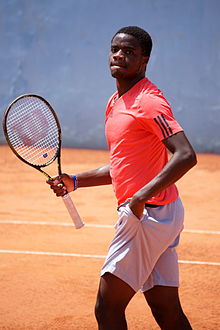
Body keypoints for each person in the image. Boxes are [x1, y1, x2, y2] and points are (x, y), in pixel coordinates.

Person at [47, 26, 197, 330]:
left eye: (129, 51)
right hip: (161, 213)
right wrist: (75, 181)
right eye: (115, 49)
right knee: (165, 309)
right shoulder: (115, 102)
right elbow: (122, 166)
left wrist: (140, 197)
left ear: (144, 61)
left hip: (147, 217)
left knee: (107, 308)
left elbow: (185, 155)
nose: (119, 55)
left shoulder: (149, 101)